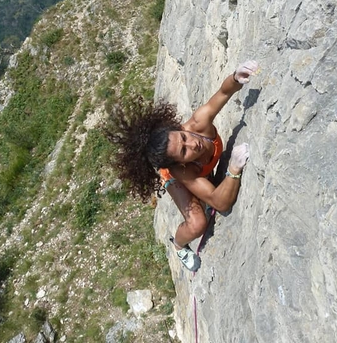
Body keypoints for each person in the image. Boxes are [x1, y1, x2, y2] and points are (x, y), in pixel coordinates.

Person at [105, 60, 258, 272]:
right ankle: (178, 246)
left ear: (179, 129)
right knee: (197, 223)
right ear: (180, 163)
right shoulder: (181, 171)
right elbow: (219, 203)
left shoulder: (199, 124)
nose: (193, 144)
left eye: (183, 137)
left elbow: (223, 93)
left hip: (195, 169)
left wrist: (235, 77)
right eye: (185, 152)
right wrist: (233, 169)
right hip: (176, 178)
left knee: (205, 188)